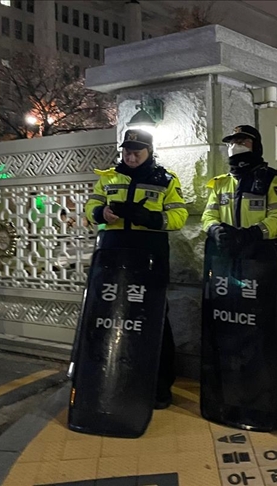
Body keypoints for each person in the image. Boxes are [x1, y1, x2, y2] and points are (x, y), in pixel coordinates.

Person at [201, 124, 277, 434]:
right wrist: (215, 230)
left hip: (262, 268)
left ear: (254, 145)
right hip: (228, 269)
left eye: (242, 141)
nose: (236, 146)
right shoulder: (220, 183)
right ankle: (231, 398)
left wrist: (252, 235)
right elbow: (208, 215)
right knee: (230, 332)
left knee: (268, 336)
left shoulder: (272, 178)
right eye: (232, 142)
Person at [84, 129, 188, 410]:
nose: (130, 157)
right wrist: (100, 213)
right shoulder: (108, 178)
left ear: (149, 152)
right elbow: (91, 206)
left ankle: (160, 388)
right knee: (110, 318)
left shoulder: (166, 180)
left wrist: (150, 217)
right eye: (127, 151)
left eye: (136, 152)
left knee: (153, 320)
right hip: (113, 256)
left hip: (148, 258)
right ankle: (111, 380)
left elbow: (179, 217)